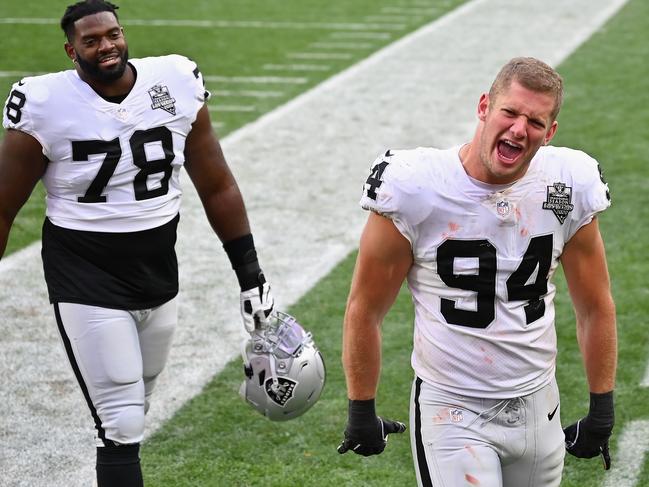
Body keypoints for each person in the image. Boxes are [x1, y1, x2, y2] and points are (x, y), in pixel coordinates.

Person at [0, 1, 275, 486]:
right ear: (72, 50)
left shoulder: (174, 80)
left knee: (136, 404)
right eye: (91, 40)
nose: (106, 45)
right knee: (121, 421)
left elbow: (218, 184)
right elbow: (3, 205)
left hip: (158, 269)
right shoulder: (45, 103)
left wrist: (249, 273)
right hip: (85, 271)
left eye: (113, 34)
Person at [337, 57, 617, 486]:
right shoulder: (416, 187)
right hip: (452, 408)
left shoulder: (566, 185)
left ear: (551, 133)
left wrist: (602, 406)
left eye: (536, 121)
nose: (520, 129)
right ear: (484, 106)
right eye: (510, 112)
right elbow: (365, 308)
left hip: (538, 404)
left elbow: (595, 307)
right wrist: (360, 408)